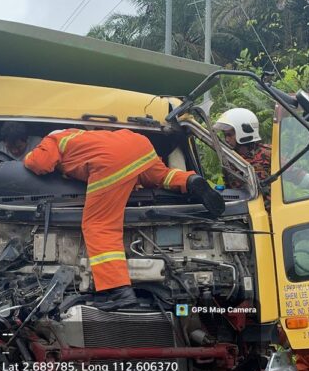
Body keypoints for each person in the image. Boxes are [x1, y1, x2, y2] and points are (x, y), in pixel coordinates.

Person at [23, 128, 225, 310]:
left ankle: (119, 291)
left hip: (110, 161)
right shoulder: (80, 135)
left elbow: (39, 163)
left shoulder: (53, 139)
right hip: (139, 146)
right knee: (160, 176)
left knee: (98, 225)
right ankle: (189, 180)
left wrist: (28, 156)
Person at [214, 108, 309, 201]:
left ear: (244, 131)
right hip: (243, 212)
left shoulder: (267, 153)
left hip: (269, 213)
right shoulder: (231, 159)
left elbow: (295, 174)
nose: (226, 139)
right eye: (225, 135)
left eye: (230, 135)